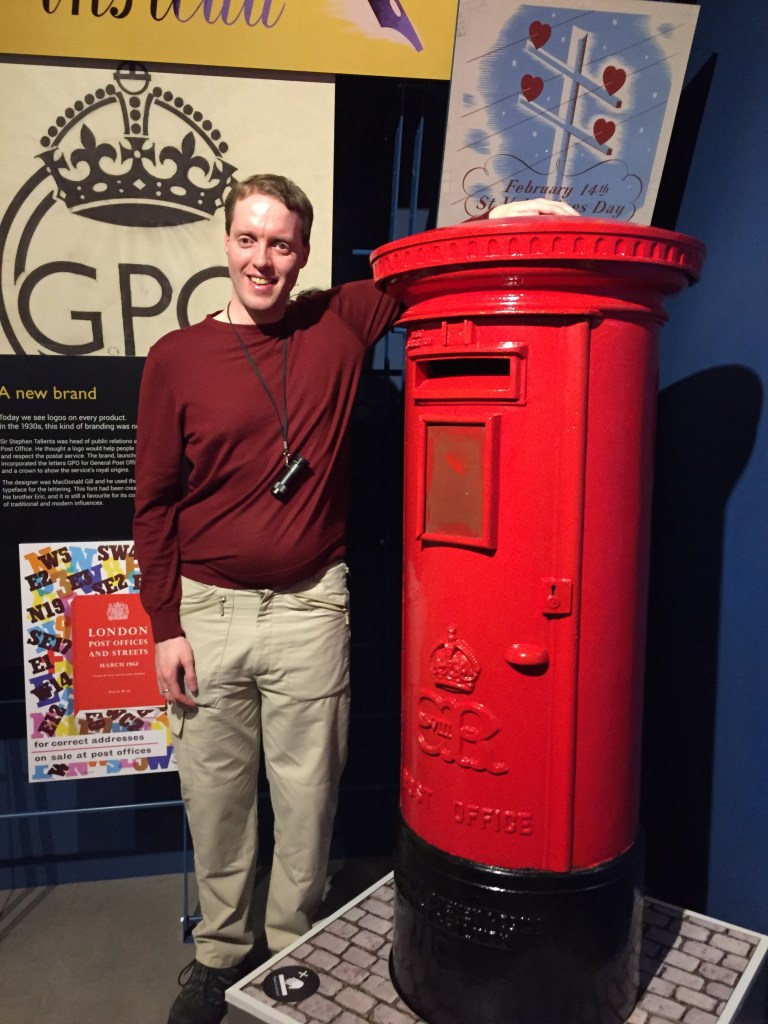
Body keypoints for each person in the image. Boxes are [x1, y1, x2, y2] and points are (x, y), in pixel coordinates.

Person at [133, 175, 578, 1024]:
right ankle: (221, 954)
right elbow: (153, 503)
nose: (263, 259)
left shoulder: (339, 320)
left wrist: (500, 218)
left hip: (310, 608)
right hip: (207, 612)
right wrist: (163, 626)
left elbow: (426, 272)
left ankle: (293, 944)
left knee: (308, 800)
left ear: (303, 254)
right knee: (217, 800)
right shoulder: (176, 358)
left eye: (282, 244)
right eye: (250, 239)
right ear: (226, 242)